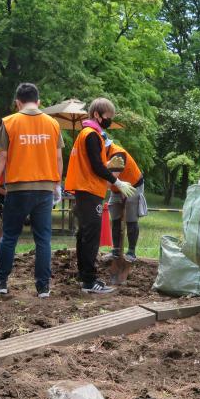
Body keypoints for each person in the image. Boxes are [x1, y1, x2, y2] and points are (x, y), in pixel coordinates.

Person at [0, 82, 63, 297]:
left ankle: (1, 281)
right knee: (43, 239)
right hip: (45, 188)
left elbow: (2, 156)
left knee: (10, 236)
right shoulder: (52, 124)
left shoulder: (10, 122)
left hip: (18, 188)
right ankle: (43, 287)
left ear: (17, 103)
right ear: (38, 102)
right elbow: (58, 157)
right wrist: (57, 184)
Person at [64, 97, 136, 293]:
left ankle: (84, 276)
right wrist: (117, 182)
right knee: (91, 236)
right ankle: (89, 281)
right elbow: (97, 166)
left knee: (84, 235)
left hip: (84, 189)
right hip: (89, 189)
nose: (109, 120)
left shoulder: (86, 134)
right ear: (97, 115)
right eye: (108, 117)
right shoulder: (92, 135)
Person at [105, 139, 146, 261]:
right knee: (115, 217)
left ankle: (131, 252)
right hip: (116, 187)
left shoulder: (118, 154)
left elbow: (110, 179)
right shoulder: (100, 154)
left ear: (107, 145)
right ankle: (116, 251)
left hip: (133, 185)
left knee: (131, 218)